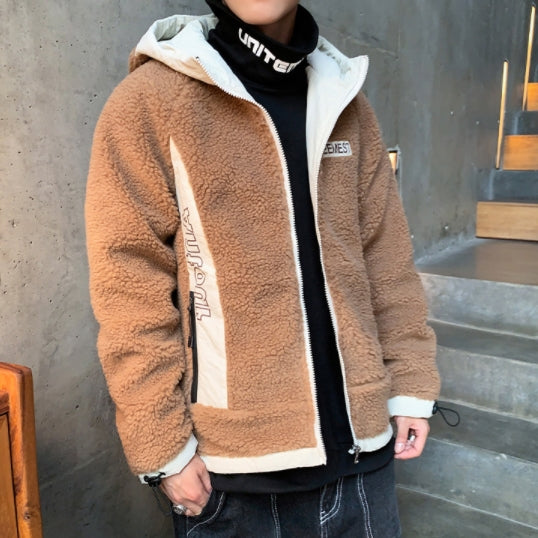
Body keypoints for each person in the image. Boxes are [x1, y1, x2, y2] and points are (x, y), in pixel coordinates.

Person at [85, 0, 440, 536]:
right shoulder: (151, 101)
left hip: (361, 464)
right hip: (232, 480)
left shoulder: (346, 101)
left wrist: (409, 381)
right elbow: (127, 285)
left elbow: (385, 258)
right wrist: (162, 447)